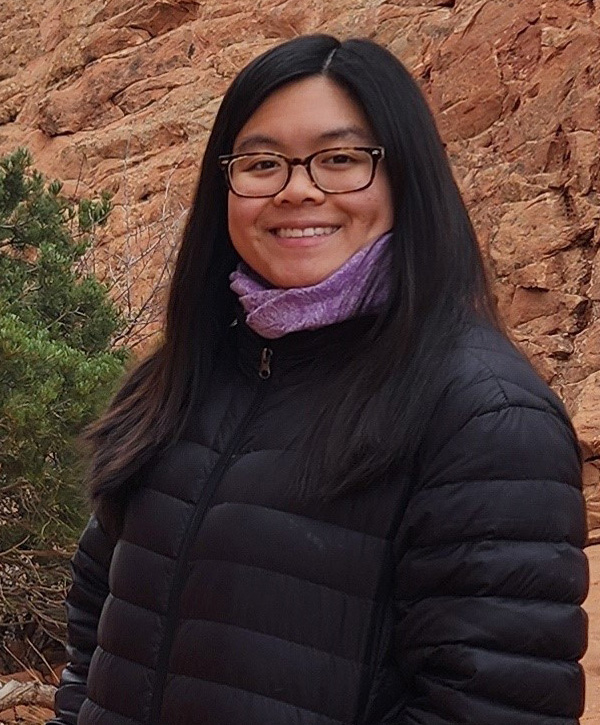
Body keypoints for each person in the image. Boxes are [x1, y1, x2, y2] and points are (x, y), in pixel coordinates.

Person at [49, 34, 588, 725]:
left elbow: (491, 706)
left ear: (406, 179)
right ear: (226, 185)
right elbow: (99, 610)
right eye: (262, 162)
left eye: (340, 159)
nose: (297, 188)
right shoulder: (182, 374)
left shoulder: (484, 415)